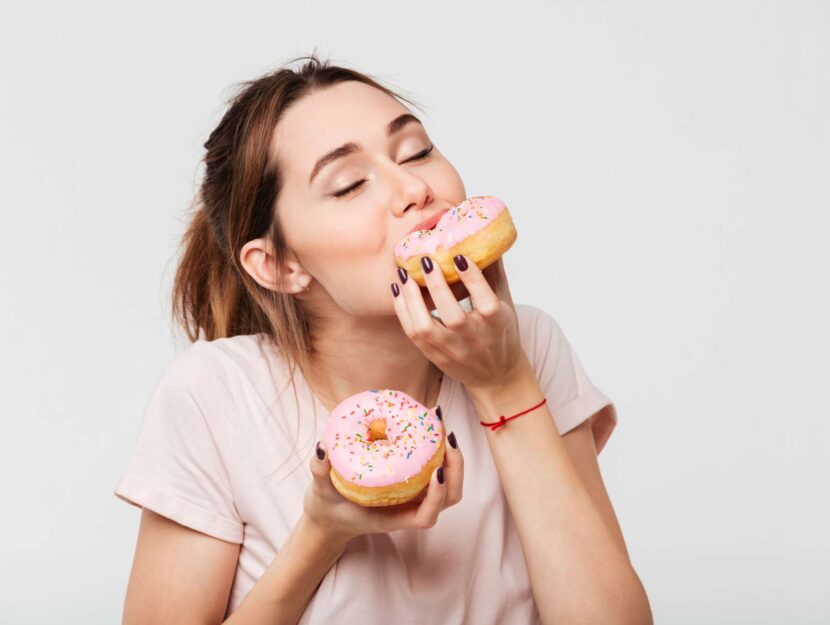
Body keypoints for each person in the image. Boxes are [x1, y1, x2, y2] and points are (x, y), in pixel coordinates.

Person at [114, 54, 652, 625]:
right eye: (349, 185)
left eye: (417, 151)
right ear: (279, 265)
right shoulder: (214, 395)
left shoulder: (528, 344)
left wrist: (505, 385)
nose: (415, 188)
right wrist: (322, 533)